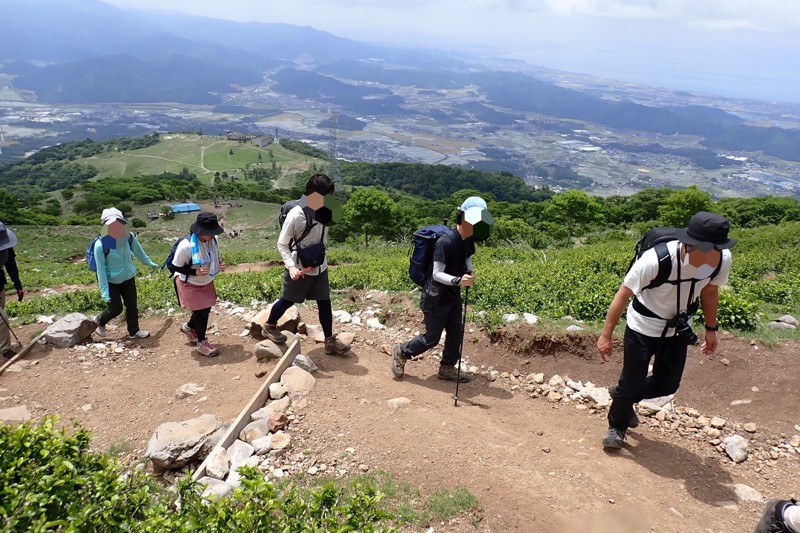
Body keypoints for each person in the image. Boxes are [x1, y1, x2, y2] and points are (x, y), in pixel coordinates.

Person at [597, 211, 736, 450]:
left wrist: (711, 329)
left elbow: (710, 292)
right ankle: (617, 426)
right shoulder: (656, 260)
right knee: (632, 381)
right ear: (688, 244)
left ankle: (622, 395)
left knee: (668, 385)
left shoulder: (722, 259)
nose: (711, 257)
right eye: (706, 250)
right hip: (643, 327)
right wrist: (606, 334)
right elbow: (623, 294)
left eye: (716, 250)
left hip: (678, 330)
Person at [390, 197, 490, 383]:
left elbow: (467, 258)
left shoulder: (468, 238)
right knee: (431, 338)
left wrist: (470, 271)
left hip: (452, 295)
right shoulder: (446, 242)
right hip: (435, 297)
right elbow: (436, 274)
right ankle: (402, 351)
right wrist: (458, 280)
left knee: (455, 332)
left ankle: (447, 367)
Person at [261, 173, 350, 356]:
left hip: (320, 265)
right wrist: (291, 267)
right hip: (300, 267)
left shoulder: (326, 210)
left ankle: (329, 340)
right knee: (288, 299)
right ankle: (269, 326)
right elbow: (282, 244)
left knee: (325, 302)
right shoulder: (296, 215)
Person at [94, 208, 158, 340]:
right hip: (111, 281)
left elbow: (140, 252)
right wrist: (104, 292)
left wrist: (150, 263)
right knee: (116, 309)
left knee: (132, 306)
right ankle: (100, 321)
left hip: (128, 277)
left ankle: (134, 332)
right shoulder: (100, 245)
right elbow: (100, 270)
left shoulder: (129, 237)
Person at [171, 212, 225, 357]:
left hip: (206, 281)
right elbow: (176, 266)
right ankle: (202, 343)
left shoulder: (213, 240)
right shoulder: (186, 246)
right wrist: (195, 273)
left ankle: (188, 328)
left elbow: (212, 255)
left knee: (204, 310)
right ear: (201, 232)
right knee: (202, 312)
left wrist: (218, 263)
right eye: (210, 233)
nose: (213, 235)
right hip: (189, 282)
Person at [0, 222, 24, 359]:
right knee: (2, 318)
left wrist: (18, 285)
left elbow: (10, 264)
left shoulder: (6, 246)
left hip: (0, 284)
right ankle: (6, 350)